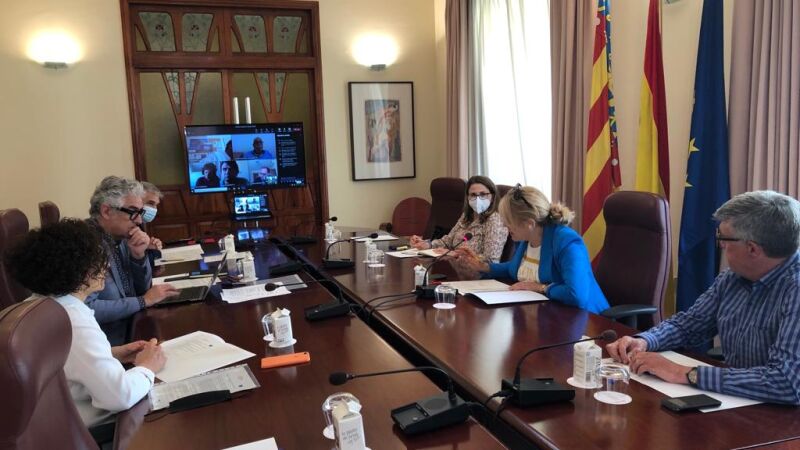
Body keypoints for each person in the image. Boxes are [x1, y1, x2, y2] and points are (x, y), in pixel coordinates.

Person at [606, 190, 800, 404]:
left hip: (783, 417)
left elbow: (786, 382)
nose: (721, 245)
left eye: (723, 238)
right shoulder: (733, 278)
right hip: (739, 403)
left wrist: (684, 373)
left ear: (752, 249)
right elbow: (689, 325)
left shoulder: (795, 289)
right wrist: (644, 340)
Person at [5, 219, 166, 439]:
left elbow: (64, 361)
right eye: (99, 261)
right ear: (79, 270)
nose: (106, 268)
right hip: (90, 430)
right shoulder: (72, 319)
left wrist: (112, 354)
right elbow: (119, 396)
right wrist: (148, 367)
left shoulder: (42, 304)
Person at [452, 184, 609, 314]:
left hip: (585, 320)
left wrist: (541, 288)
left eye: (508, 221)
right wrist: (483, 266)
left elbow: (576, 294)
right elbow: (515, 268)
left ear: (529, 223)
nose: (505, 225)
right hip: (545, 314)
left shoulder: (567, 242)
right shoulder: (526, 239)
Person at [84, 176, 179, 344]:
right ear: (106, 211)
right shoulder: (85, 245)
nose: (139, 220)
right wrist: (143, 301)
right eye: (133, 212)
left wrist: (138, 257)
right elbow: (86, 309)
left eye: (140, 213)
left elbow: (142, 289)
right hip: (108, 342)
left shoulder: (121, 238)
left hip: (132, 327)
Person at [409, 176, 509, 263]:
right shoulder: (466, 216)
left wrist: (456, 254)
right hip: (456, 268)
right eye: (473, 195)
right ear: (467, 197)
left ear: (493, 196)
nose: (478, 199)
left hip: (477, 275)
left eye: (483, 194)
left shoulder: (495, 220)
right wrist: (428, 244)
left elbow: (491, 260)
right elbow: (448, 241)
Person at [140, 181, 164, 271]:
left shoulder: (139, 224)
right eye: (150, 203)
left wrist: (152, 247)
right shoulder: (128, 226)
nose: (154, 209)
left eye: (156, 205)